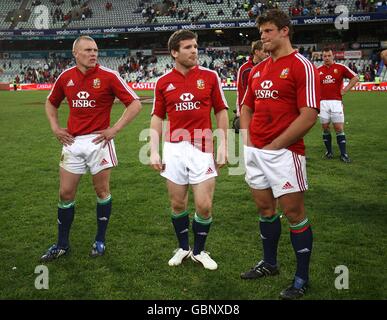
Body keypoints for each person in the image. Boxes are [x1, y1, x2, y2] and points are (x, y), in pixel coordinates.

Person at [240, 9, 320, 300]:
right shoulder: (259, 70)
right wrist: (249, 139)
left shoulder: (301, 66)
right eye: (261, 33)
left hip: (285, 153)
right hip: (256, 152)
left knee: (294, 214)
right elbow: (247, 106)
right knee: (265, 210)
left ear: (285, 31)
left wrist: (276, 146)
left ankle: (301, 278)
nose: (263, 37)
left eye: (269, 31)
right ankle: (270, 264)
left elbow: (309, 115)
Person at [40, 36, 142, 262]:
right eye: (88, 50)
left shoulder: (109, 76)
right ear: (75, 53)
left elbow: (135, 103)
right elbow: (51, 102)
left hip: (99, 143)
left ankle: (100, 239)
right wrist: (55, 127)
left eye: (95, 50)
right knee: (65, 194)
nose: (93, 53)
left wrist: (114, 129)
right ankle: (62, 244)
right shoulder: (65, 77)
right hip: (73, 142)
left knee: (102, 192)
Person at [150, 30, 229, 270]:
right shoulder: (163, 82)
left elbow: (221, 111)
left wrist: (224, 145)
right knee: (178, 205)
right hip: (174, 149)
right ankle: (184, 248)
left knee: (204, 206)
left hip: (202, 148)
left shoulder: (210, 76)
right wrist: (154, 150)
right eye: (187, 47)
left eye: (195, 46)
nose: (194, 50)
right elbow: (156, 117)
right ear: (174, 52)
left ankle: (200, 251)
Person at [317, 48, 359, 163]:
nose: (326, 58)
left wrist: (345, 90)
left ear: (332, 56)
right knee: (325, 128)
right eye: (324, 56)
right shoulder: (318, 70)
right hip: (322, 103)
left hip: (336, 102)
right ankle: (329, 152)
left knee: (339, 128)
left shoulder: (340, 67)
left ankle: (343, 154)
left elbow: (355, 77)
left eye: (329, 56)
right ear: (322, 57)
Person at [233, 40, 268, 133]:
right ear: (256, 52)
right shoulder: (245, 69)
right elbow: (241, 92)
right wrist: (240, 112)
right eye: (264, 51)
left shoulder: (269, 66)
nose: (267, 54)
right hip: (250, 108)